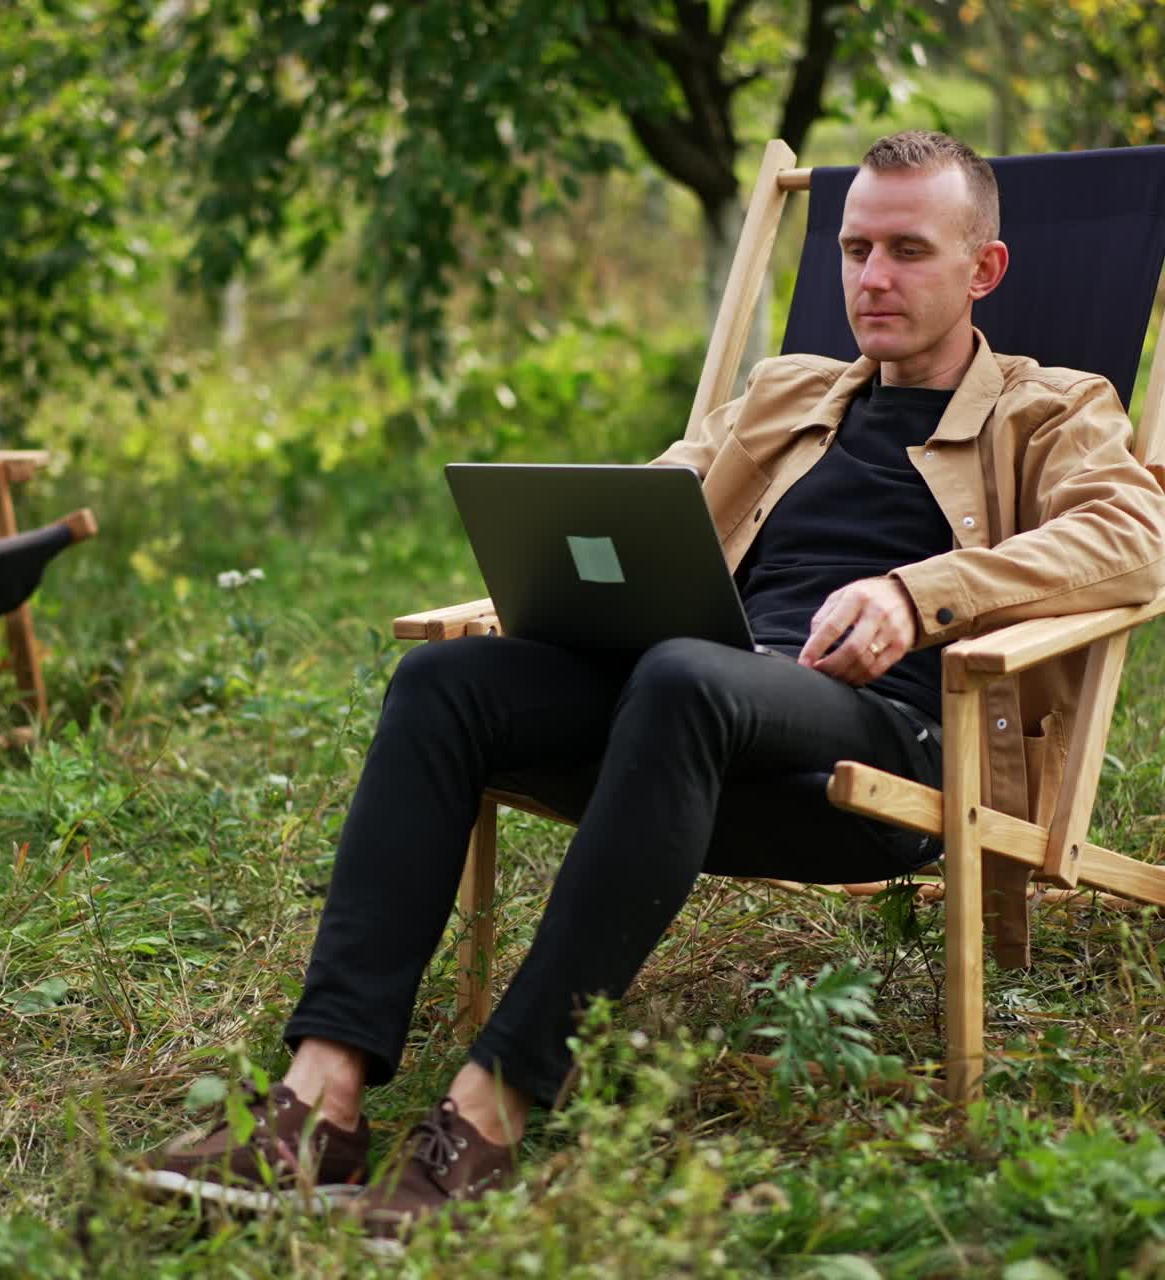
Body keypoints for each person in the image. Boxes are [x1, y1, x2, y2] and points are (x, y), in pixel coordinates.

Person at [124, 131, 1165, 1240]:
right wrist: (578, 547)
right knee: (443, 683)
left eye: (907, 250)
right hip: (694, 718)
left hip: (884, 742)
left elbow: (1131, 535)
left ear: (981, 271)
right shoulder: (783, 393)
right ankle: (318, 1096)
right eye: (854, 248)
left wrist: (916, 594)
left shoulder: (1049, 406)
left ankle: (492, 1104)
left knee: (681, 676)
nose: (869, 277)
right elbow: (660, 491)